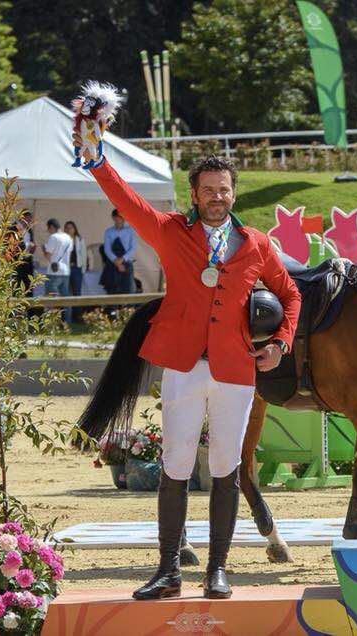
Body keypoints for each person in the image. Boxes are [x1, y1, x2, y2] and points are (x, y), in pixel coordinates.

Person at [78, 139, 301, 600]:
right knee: (175, 466)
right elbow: (127, 200)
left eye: (224, 189)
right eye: (208, 190)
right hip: (182, 367)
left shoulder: (257, 243)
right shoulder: (169, 231)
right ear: (194, 194)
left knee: (225, 467)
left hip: (236, 371)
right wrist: (98, 162)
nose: (217, 197)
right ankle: (168, 570)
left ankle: (218, 569)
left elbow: (291, 295)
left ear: (234, 194)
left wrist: (280, 342)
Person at [43, 218, 74, 323]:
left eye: (48, 229)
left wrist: (43, 249)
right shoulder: (69, 238)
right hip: (65, 271)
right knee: (66, 299)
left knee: (51, 298)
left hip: (53, 271)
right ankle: (67, 322)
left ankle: (51, 323)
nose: (48, 231)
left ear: (51, 227)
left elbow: (48, 255)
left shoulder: (53, 237)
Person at [101, 209, 137, 294]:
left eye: (121, 217)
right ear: (113, 218)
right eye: (116, 217)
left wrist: (123, 259)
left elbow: (133, 248)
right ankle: (112, 307)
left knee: (127, 289)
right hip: (112, 263)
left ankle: (127, 307)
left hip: (126, 263)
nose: (119, 219)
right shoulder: (108, 232)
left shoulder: (130, 230)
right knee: (112, 290)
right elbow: (107, 249)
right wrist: (116, 261)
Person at [63, 221, 90, 322]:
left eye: (71, 228)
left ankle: (78, 317)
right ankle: (68, 319)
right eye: (67, 228)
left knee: (77, 293)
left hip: (77, 269)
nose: (69, 230)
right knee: (67, 293)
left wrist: (82, 269)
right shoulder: (63, 240)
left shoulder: (80, 240)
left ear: (75, 229)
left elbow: (84, 254)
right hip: (66, 269)